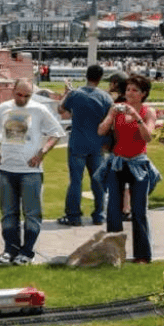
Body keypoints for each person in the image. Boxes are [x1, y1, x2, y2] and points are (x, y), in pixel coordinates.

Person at [0, 79, 66, 265]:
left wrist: (42, 152)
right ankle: (10, 250)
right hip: (7, 170)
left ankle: (27, 251)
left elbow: (57, 133)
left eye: (27, 96)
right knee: (8, 212)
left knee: (31, 213)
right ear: (13, 91)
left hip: (30, 171)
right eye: (19, 95)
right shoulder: (3, 108)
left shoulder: (39, 110)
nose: (22, 99)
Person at [95, 74, 161, 263]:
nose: (129, 93)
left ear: (143, 94)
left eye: (135, 90)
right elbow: (101, 131)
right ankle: (113, 253)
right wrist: (111, 115)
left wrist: (136, 117)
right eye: (128, 89)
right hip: (118, 162)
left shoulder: (148, 112)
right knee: (114, 210)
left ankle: (142, 255)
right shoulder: (118, 110)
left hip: (138, 164)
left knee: (139, 211)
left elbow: (148, 137)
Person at [57, 64, 113, 226]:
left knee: (75, 181)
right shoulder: (105, 98)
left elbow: (61, 110)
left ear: (86, 75)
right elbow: (110, 122)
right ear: (100, 78)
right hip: (97, 145)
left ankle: (73, 216)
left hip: (77, 143)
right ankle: (99, 215)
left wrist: (66, 93)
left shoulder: (76, 94)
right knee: (98, 182)